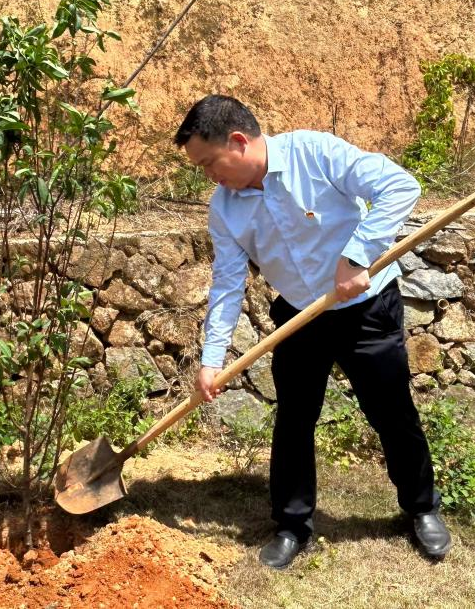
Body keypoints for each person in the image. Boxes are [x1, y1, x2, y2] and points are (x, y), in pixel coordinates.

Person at [175, 94, 450, 568]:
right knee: (295, 420)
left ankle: (422, 508)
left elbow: (400, 186)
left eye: (210, 163)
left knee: (391, 412)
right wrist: (211, 359)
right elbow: (226, 282)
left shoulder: (315, 153)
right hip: (298, 314)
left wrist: (357, 255)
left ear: (239, 142)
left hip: (366, 308)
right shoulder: (225, 207)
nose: (209, 177)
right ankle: (292, 525)